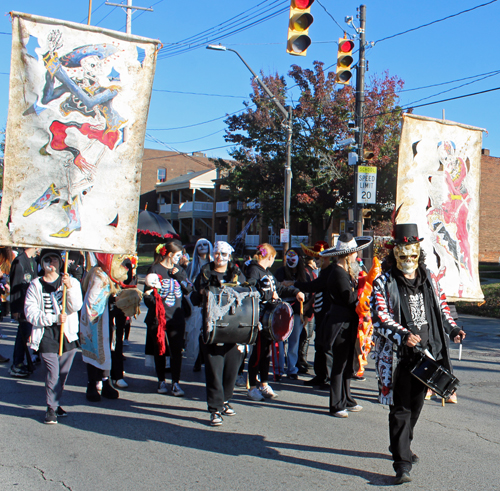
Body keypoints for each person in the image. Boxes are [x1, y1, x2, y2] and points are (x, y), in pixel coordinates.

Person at [371, 223, 466, 485]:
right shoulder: (384, 282)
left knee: (416, 405)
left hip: (428, 355)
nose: (409, 260)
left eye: (413, 254)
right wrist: (403, 334)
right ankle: (402, 464)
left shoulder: (430, 279)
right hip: (399, 356)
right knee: (400, 408)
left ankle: (402, 445)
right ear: (395, 253)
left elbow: (443, 308)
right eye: (403, 254)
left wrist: (453, 329)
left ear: (418, 253)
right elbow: (379, 317)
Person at [24, 250, 83, 424]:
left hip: (67, 333)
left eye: (55, 260)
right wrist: (53, 318)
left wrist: (69, 288)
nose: (51, 263)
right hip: (46, 334)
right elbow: (30, 312)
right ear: (41, 263)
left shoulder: (71, 282)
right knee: (53, 373)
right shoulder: (35, 285)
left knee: (62, 375)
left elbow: (75, 306)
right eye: (47, 260)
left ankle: (56, 403)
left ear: (60, 262)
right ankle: (51, 407)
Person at [191, 241, 246, 426]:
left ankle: (225, 401)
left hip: (234, 329)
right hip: (212, 329)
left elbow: (247, 293)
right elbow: (193, 298)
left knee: (231, 370)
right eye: (216, 253)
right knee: (215, 371)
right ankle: (214, 409)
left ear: (229, 255)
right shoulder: (205, 273)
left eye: (223, 253)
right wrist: (200, 292)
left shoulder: (236, 273)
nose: (219, 257)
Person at [319, 233, 372, 418]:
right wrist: (363, 293)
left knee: (347, 363)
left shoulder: (344, 272)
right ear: (348, 255)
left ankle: (347, 398)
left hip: (348, 322)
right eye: (355, 254)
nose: (357, 257)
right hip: (340, 323)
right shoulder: (338, 273)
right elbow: (350, 299)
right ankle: (336, 404)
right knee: (339, 364)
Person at [245, 243, 304, 401]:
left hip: (268, 321)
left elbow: (279, 288)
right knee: (257, 354)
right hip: (257, 319)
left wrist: (296, 291)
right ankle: (251, 387)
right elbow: (248, 289)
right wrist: (266, 296)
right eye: (273, 259)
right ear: (270, 257)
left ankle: (264, 383)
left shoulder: (267, 272)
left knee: (265, 354)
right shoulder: (253, 270)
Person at [80, 253, 141, 402]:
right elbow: (94, 300)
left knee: (108, 349)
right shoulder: (98, 274)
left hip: (106, 317)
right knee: (96, 349)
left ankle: (106, 381)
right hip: (96, 319)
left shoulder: (106, 274)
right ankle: (92, 384)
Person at [144, 240, 192, 397]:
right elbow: (147, 295)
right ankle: (161, 380)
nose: (180, 257)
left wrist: (178, 276)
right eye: (178, 255)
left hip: (176, 317)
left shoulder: (179, 270)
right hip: (159, 317)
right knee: (160, 349)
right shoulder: (155, 269)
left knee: (176, 351)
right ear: (170, 255)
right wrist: (153, 299)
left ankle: (176, 383)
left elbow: (189, 288)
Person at [296, 241, 333, 387]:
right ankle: (320, 375)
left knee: (326, 346)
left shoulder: (330, 271)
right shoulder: (323, 271)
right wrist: (309, 304)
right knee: (318, 345)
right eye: (315, 259)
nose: (316, 261)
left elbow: (314, 286)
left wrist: (294, 284)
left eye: (318, 258)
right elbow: (317, 290)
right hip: (319, 312)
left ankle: (328, 377)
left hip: (328, 313)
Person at [274, 249, 314, 379]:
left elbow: (309, 293)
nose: (291, 261)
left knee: (294, 341)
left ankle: (292, 369)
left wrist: (307, 312)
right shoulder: (280, 272)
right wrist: (293, 291)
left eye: (294, 258)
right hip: (281, 311)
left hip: (297, 312)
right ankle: (279, 369)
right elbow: (278, 289)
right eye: (288, 257)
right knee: (280, 340)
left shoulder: (305, 275)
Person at [9, 247, 39, 377]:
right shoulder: (19, 261)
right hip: (22, 305)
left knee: (26, 335)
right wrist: (15, 309)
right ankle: (17, 364)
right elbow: (15, 284)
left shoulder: (32, 260)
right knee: (22, 335)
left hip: (30, 304)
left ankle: (22, 361)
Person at [185, 238, 213, 370]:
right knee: (196, 331)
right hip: (196, 303)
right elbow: (187, 283)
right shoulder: (191, 266)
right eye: (199, 245)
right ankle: (197, 358)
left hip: (211, 303)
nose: (202, 247)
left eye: (205, 244)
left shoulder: (213, 264)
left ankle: (207, 358)